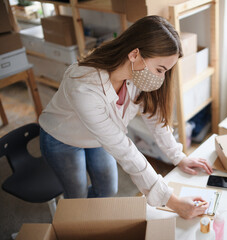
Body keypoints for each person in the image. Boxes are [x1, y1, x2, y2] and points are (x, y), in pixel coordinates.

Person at [39, 15, 213, 219]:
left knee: (107, 189)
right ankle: (74, 221)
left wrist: (178, 157)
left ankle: (89, 218)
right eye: (159, 69)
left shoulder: (136, 75)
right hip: (63, 139)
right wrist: (173, 202)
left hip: (97, 139)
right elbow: (125, 150)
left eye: (165, 71)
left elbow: (155, 118)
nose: (161, 78)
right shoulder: (83, 86)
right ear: (134, 54)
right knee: (76, 195)